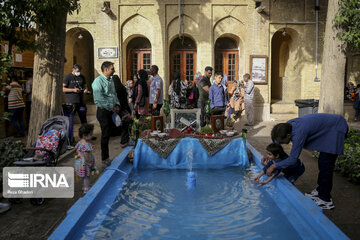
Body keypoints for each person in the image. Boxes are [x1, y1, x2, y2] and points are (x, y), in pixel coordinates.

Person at [268, 113, 348, 210]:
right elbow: (277, 140)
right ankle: (320, 190)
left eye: (282, 142)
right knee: (322, 162)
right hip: (330, 127)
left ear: (289, 136)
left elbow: (293, 159)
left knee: (326, 164)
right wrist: (269, 153)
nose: (281, 144)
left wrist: (274, 166)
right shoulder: (286, 127)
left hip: (336, 128)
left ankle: (325, 200)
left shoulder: (298, 134)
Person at [92, 61, 120, 166]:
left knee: (112, 132)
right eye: (112, 69)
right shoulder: (98, 81)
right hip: (103, 111)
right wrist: (110, 107)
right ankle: (105, 158)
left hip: (111, 110)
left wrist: (117, 105)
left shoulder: (111, 81)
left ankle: (107, 157)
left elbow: (114, 94)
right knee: (105, 135)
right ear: (106, 69)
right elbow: (99, 99)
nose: (114, 70)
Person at [63, 64, 89, 142]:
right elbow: (63, 89)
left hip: (81, 101)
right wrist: (73, 90)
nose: (78, 72)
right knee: (70, 121)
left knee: (84, 120)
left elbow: (85, 86)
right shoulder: (68, 77)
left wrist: (85, 90)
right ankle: (70, 139)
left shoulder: (82, 77)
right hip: (71, 102)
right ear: (73, 69)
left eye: (80, 71)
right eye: (77, 71)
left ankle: (85, 136)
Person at [75, 124, 98, 194]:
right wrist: (89, 162)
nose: (92, 136)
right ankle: (86, 189)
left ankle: (84, 185)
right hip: (85, 163)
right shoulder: (86, 144)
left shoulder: (80, 142)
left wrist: (79, 154)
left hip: (79, 162)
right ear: (84, 135)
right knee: (87, 176)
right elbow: (86, 154)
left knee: (84, 175)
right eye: (90, 134)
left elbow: (77, 149)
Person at [112, 74, 132, 147]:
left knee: (119, 123)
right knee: (125, 125)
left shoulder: (113, 89)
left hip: (116, 109)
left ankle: (122, 140)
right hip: (124, 108)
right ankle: (124, 141)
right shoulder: (122, 88)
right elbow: (125, 99)